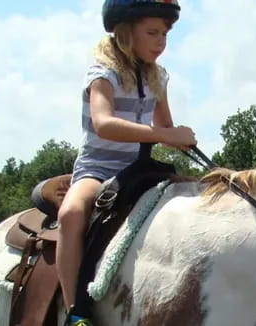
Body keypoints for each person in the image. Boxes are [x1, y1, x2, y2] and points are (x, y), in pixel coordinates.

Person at [56, 1, 196, 325]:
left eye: (165, 34)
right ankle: (74, 312)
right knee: (71, 214)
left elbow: (164, 128)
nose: (161, 41)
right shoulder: (102, 74)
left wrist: (178, 136)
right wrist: (166, 134)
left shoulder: (158, 77)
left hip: (139, 168)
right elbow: (104, 123)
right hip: (99, 168)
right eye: (152, 32)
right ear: (124, 31)